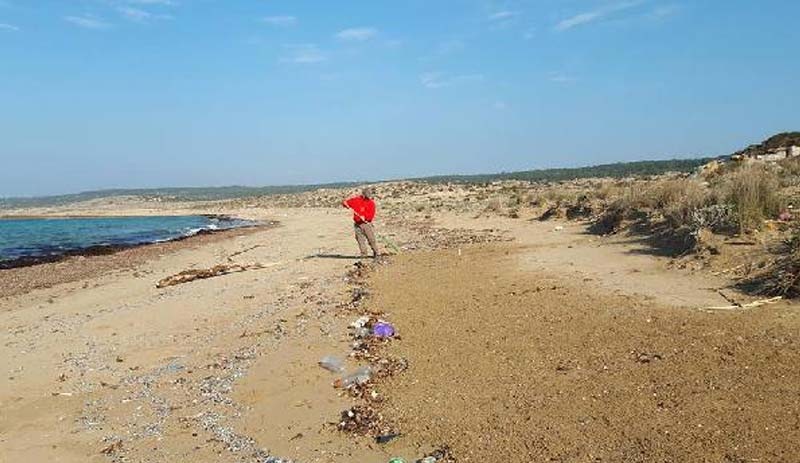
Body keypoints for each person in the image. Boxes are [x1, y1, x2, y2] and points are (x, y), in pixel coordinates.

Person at [342, 188, 379, 258]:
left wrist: (365, 217)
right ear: (364, 194)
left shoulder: (371, 203)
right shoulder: (356, 200)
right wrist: (345, 203)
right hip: (357, 225)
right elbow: (345, 203)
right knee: (360, 240)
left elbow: (371, 215)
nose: (370, 196)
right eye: (368, 194)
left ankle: (376, 253)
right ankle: (364, 255)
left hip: (367, 224)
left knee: (371, 240)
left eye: (370, 194)